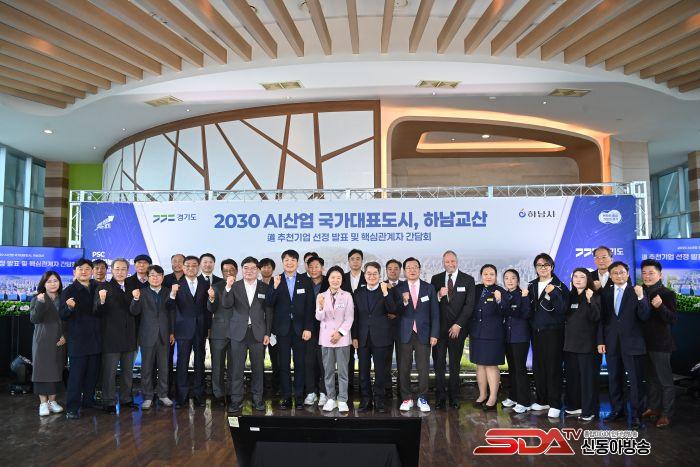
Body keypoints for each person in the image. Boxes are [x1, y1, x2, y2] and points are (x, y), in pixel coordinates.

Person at [209, 256, 272, 413]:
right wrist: (228, 288)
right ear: (242, 270)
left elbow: (269, 311)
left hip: (258, 333)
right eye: (246, 268)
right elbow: (226, 304)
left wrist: (267, 333)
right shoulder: (234, 286)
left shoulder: (264, 287)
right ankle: (236, 401)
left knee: (258, 369)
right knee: (236, 369)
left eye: (253, 268)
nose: (249, 271)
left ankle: (257, 400)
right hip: (238, 333)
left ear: (258, 270)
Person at [598, 261, 650, 430]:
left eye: (622, 272)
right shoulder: (606, 293)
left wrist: (641, 297)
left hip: (633, 344)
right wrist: (601, 341)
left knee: (635, 382)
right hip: (612, 343)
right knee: (614, 379)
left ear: (627, 274)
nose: (619, 275)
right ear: (611, 276)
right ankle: (617, 411)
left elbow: (645, 316)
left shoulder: (637, 291)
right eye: (615, 273)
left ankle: (636, 415)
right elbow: (602, 319)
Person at [266, 250, 314, 409]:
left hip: (300, 330)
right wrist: (274, 287)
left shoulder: (305, 280)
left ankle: (299, 397)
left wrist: (308, 328)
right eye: (286, 260)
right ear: (282, 262)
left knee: (300, 364)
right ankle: (286, 397)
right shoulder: (276, 279)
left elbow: (310, 306)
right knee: (283, 365)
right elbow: (269, 303)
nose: (289, 263)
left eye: (293, 260)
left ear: (298, 263)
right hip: (282, 330)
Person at [429, 250, 475, 409]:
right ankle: (440, 399)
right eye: (447, 261)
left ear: (457, 261)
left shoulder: (468, 279)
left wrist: (458, 324)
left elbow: (469, 305)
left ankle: (454, 398)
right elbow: (431, 303)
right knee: (439, 365)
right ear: (443, 263)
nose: (450, 264)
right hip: (439, 331)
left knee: (455, 365)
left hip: (458, 330)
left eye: (453, 261)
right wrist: (438, 295)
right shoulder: (435, 279)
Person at [527, 253, 569, 419]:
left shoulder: (560, 286)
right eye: (539, 265)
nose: (542, 268)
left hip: (554, 332)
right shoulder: (531, 285)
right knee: (539, 367)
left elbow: (563, 309)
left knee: (553, 368)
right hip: (536, 332)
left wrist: (553, 294)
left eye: (546, 265)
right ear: (536, 268)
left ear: (552, 267)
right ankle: (542, 400)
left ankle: (555, 403)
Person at [395, 257, 439, 412]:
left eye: (415, 267)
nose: (412, 270)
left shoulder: (429, 288)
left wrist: (434, 334)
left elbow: (435, 313)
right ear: (404, 271)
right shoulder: (399, 288)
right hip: (404, 334)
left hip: (424, 334)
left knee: (423, 368)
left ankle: (422, 398)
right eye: (408, 267)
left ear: (420, 269)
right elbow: (395, 310)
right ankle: (406, 398)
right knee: (404, 368)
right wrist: (404, 302)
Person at [129, 264, 175, 409]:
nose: (155, 278)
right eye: (152, 275)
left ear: (162, 277)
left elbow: (172, 313)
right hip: (147, 335)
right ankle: (147, 396)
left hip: (164, 334)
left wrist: (172, 332)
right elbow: (134, 311)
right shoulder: (141, 292)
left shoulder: (169, 292)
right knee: (146, 368)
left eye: (158, 275)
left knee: (164, 367)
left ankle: (163, 394)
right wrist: (135, 299)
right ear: (147, 278)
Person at [96, 258, 138, 413]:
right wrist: (101, 300)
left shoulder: (133, 288)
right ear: (112, 270)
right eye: (117, 269)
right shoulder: (103, 287)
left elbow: (136, 311)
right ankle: (108, 401)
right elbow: (97, 311)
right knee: (110, 373)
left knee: (128, 372)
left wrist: (136, 298)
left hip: (129, 337)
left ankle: (126, 399)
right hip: (111, 337)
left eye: (123, 269)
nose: (120, 272)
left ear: (128, 271)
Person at [59, 258, 100, 419]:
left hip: (96, 338)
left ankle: (89, 401)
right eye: (80, 269)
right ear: (74, 272)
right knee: (76, 376)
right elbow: (62, 315)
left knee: (92, 374)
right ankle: (72, 407)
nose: (84, 271)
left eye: (87, 269)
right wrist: (69, 308)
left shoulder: (97, 287)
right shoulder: (69, 291)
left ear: (92, 271)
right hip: (78, 340)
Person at [352, 262, 395, 412]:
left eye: (375, 274)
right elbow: (355, 316)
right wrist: (354, 336)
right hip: (363, 337)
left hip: (381, 337)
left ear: (379, 275)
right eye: (369, 274)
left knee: (380, 372)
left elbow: (393, 309)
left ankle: (379, 401)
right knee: (363, 372)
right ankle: (366, 401)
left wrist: (385, 293)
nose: (371, 276)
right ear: (364, 276)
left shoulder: (386, 290)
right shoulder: (358, 292)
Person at [640, 258, 677, 428]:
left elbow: (673, 319)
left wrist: (661, 306)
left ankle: (667, 415)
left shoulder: (667, 294)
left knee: (665, 381)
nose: (647, 276)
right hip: (642, 344)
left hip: (661, 345)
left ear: (660, 275)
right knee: (650, 379)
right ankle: (653, 408)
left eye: (651, 273)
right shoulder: (639, 292)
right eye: (644, 273)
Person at [171, 255, 209, 408]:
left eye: (194, 265)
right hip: (183, 329)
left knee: (200, 363)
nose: (191, 268)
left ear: (198, 267)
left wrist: (208, 327)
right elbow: (170, 308)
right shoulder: (176, 285)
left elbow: (207, 308)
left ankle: (199, 396)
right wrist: (172, 294)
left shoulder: (205, 284)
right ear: (183, 267)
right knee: (182, 363)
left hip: (200, 328)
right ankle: (182, 397)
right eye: (188, 265)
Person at [563, 268, 600, 421]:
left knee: (587, 380)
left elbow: (596, 317)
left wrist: (591, 300)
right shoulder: (570, 296)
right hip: (569, 344)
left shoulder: (593, 295)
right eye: (575, 276)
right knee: (572, 378)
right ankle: (574, 406)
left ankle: (589, 410)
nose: (578, 279)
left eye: (582, 277)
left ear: (588, 279)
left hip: (587, 345)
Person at [316, 266, 354, 412]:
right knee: (328, 372)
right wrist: (320, 306)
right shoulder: (321, 296)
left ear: (342, 280)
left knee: (343, 372)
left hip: (342, 340)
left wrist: (340, 333)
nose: (335, 280)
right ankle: (331, 398)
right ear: (328, 279)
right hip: (326, 339)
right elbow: (319, 317)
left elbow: (349, 318)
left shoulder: (347, 296)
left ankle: (342, 399)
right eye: (333, 277)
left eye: (339, 278)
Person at [469, 264, 507, 411]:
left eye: (492, 274)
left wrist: (499, 300)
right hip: (477, 333)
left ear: (496, 276)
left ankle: (493, 397)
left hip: (493, 335)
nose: (488, 277)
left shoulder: (500, 291)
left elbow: (506, 311)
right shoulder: (476, 289)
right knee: (480, 365)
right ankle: (482, 394)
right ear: (481, 276)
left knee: (491, 365)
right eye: (485, 274)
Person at [30, 271, 66, 416]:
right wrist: (40, 303)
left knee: (56, 371)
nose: (53, 284)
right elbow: (34, 319)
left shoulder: (64, 298)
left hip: (59, 341)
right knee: (42, 372)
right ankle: (43, 403)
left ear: (60, 283)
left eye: (55, 281)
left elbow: (69, 320)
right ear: (44, 284)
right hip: (42, 341)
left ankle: (52, 401)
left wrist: (66, 336)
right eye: (49, 281)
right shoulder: (38, 298)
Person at [208, 259, 239, 407]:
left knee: (235, 366)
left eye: (231, 270)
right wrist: (211, 299)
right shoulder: (216, 286)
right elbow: (211, 308)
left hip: (238, 332)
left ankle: (233, 394)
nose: (228, 272)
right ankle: (218, 394)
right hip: (219, 332)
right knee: (217, 366)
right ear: (221, 272)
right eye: (225, 270)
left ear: (236, 271)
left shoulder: (242, 286)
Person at [501, 269, 532, 414]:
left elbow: (525, 313)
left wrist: (523, 299)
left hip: (520, 337)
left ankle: (524, 402)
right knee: (512, 369)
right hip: (508, 337)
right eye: (506, 278)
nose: (510, 280)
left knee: (520, 369)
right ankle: (513, 397)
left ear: (518, 280)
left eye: (513, 278)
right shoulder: (504, 295)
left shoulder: (523, 294)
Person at [303, 255, 328, 407]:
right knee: (309, 361)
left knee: (324, 362)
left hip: (326, 328)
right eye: (310, 267)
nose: (313, 269)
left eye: (316, 266)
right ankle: (311, 392)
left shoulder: (329, 281)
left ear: (322, 268)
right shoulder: (304, 282)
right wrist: (306, 327)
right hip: (308, 329)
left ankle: (324, 392)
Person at [342, 249, 366, 391]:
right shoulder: (342, 278)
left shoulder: (368, 277)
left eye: (358, 259)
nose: (355, 261)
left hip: (363, 324)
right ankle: (348, 388)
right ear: (348, 261)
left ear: (362, 261)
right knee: (347, 358)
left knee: (363, 358)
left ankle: (364, 388)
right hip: (345, 324)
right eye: (352, 259)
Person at [258, 258, 278, 395]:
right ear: (259, 269)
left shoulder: (277, 283)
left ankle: (276, 387)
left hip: (275, 328)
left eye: (269, 267)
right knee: (258, 359)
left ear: (273, 269)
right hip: (258, 328)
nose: (266, 269)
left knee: (276, 359)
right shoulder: (256, 284)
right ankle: (261, 387)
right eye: (263, 267)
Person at [384, 258, 403, 397]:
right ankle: (387, 389)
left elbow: (410, 307)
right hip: (385, 329)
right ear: (386, 271)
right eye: (390, 269)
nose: (393, 271)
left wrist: (397, 315)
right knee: (386, 361)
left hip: (402, 329)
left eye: (396, 268)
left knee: (403, 361)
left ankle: (402, 390)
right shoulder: (381, 285)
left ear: (400, 270)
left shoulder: (406, 285)